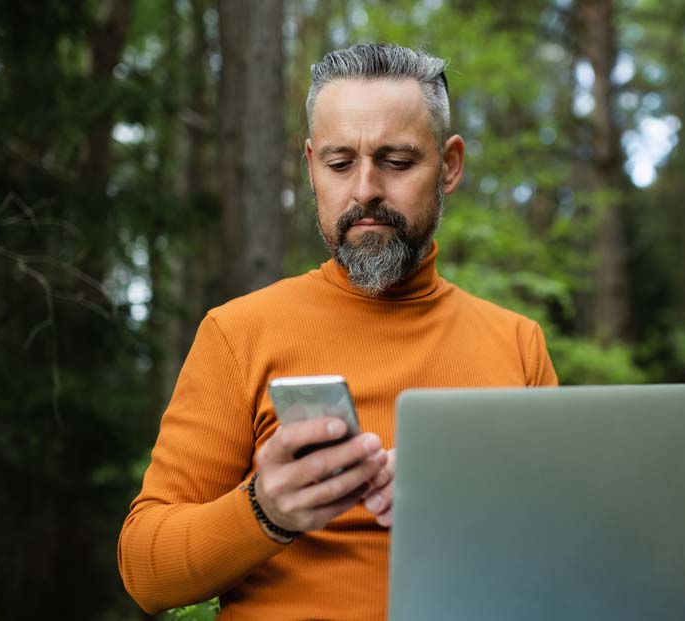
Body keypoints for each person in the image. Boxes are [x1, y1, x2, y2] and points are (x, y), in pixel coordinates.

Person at [118, 43, 557, 620]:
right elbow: (147, 574)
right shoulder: (238, 332)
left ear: (449, 166)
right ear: (309, 166)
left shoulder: (516, 345)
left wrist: (471, 505)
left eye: (397, 161)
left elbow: (567, 558)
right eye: (339, 162)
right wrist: (266, 510)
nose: (365, 190)